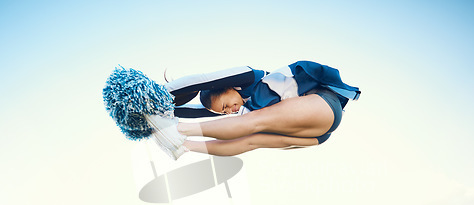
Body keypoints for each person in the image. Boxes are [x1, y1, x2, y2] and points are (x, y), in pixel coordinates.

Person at [147, 61, 360, 159]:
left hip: (323, 104)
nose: (229, 111)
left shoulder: (249, 77)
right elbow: (189, 111)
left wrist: (154, 94)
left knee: (253, 123)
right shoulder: (245, 108)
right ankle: (183, 147)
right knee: (251, 140)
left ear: (227, 88)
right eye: (223, 113)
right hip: (318, 135)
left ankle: (176, 132)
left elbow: (202, 80)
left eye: (224, 106)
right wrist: (151, 113)